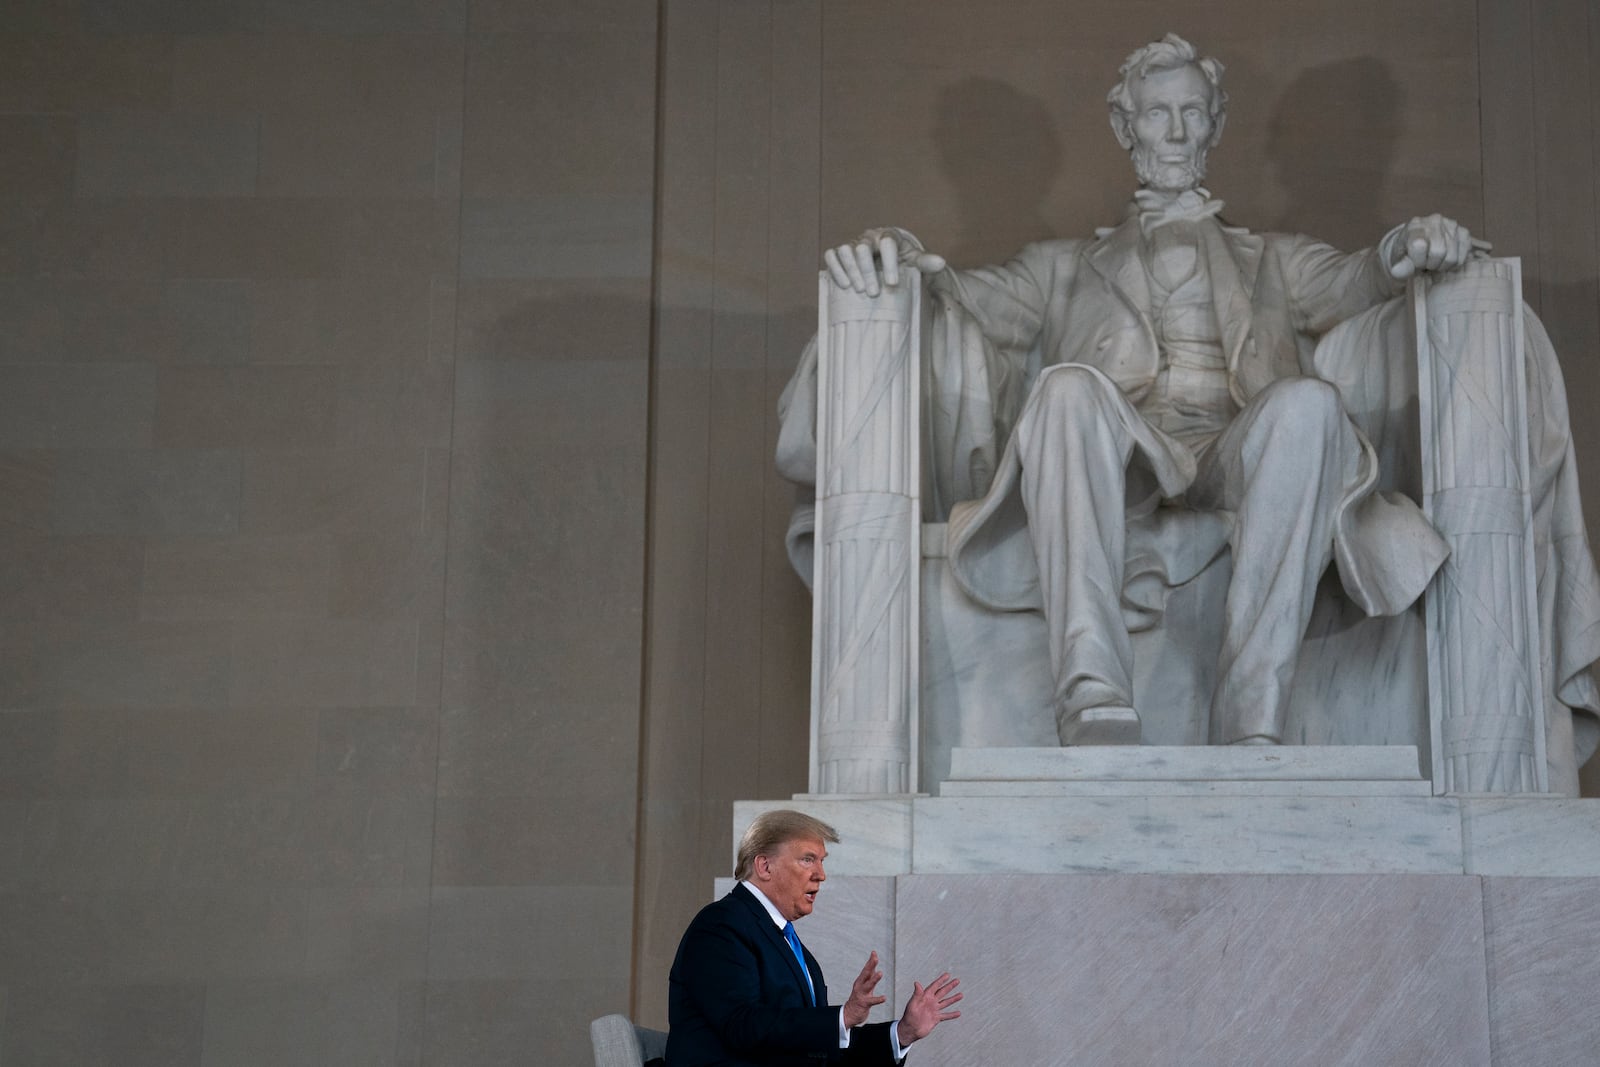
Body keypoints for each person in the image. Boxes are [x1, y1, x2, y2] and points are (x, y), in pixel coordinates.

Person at [820, 33, 1481, 748]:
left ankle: (1252, 711)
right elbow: (959, 293)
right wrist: (898, 251)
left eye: (1192, 113)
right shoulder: (1062, 268)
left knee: (1310, 404)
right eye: (1157, 113)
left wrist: (1407, 245)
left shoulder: (1275, 261)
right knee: (1068, 388)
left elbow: (1359, 278)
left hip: (1235, 448)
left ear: (1215, 125)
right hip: (1125, 451)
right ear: (1124, 125)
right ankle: (1093, 692)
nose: (1174, 132)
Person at [665, 810, 962, 1066]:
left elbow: (816, 1050)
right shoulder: (721, 924)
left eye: (822, 861)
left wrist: (903, 1033)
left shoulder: (792, 947)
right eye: (808, 860)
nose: (821, 875)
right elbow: (743, 1026)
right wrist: (841, 1018)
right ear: (764, 866)